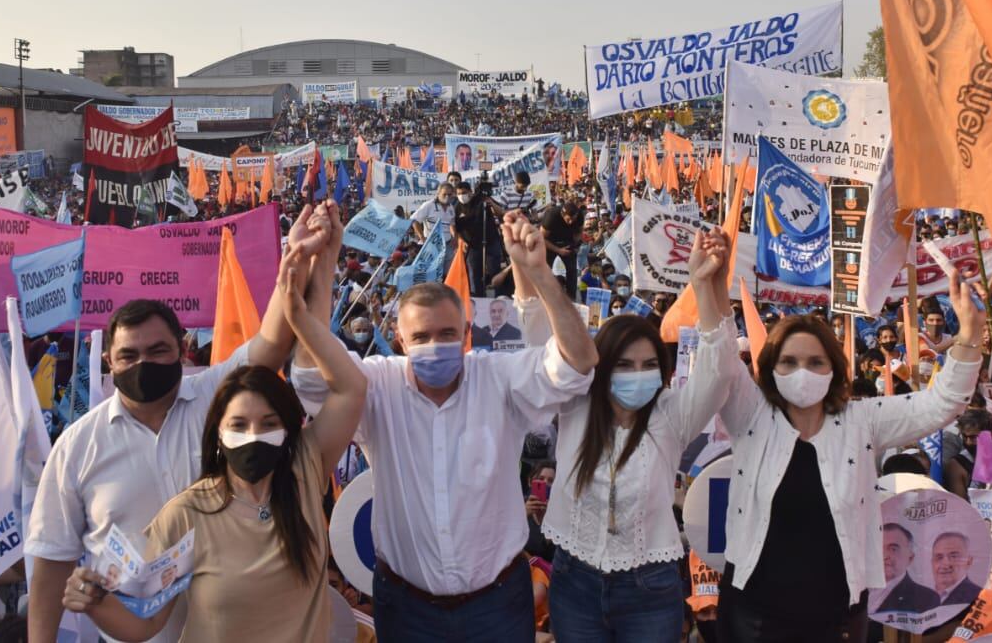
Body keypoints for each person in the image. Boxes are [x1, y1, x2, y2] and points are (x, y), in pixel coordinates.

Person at [26, 203, 340, 643]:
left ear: (182, 347)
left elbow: (273, 340)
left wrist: (298, 258)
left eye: (157, 351)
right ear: (107, 362)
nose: (143, 364)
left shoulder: (219, 400)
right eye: (128, 356)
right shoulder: (77, 448)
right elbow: (51, 563)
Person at [291, 211, 597, 642]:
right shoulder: (377, 384)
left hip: (498, 604)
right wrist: (324, 265)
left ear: (467, 333)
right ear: (400, 341)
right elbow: (309, 381)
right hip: (407, 606)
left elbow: (578, 364)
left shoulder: (498, 378)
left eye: (447, 334)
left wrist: (539, 273)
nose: (435, 346)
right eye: (421, 338)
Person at [693, 226, 986, 641]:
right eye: (789, 362)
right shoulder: (752, 415)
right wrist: (709, 284)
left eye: (815, 362)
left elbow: (940, 403)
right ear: (771, 370)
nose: (802, 372)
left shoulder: (860, 420)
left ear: (834, 369)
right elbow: (720, 357)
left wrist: (970, 338)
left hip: (835, 613)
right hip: (753, 611)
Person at [513, 228, 732, 641]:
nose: (638, 375)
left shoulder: (672, 414)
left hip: (650, 588)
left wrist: (703, 284)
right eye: (624, 365)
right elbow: (539, 341)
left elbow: (719, 370)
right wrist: (529, 272)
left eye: (648, 364)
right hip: (574, 582)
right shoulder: (575, 403)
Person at [874, 523, 939, 614]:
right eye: (879, 549)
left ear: (910, 558)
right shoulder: (859, 591)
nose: (884, 556)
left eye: (893, 549)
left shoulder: (926, 598)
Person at [453, 181, 503, 295]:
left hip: (491, 241)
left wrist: (490, 203)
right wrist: (460, 240)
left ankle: (500, 295)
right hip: (472, 245)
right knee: (475, 273)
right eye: (459, 193)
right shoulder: (457, 208)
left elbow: (500, 212)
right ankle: (479, 298)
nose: (462, 196)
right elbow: (456, 228)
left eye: (464, 193)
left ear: (470, 192)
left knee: (494, 270)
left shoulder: (481, 200)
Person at [944, 409, 992, 499]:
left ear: (991, 436)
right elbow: (961, 506)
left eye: (974, 437)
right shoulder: (957, 465)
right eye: (964, 436)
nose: (968, 442)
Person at [541, 203, 582, 298]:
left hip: (567, 241)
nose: (571, 222)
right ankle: (545, 296)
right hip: (550, 242)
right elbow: (542, 238)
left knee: (572, 270)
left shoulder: (579, 216)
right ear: (562, 215)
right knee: (545, 270)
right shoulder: (551, 216)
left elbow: (579, 231)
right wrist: (558, 250)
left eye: (573, 219)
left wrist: (576, 244)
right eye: (568, 219)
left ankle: (571, 298)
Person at [931, 532, 982, 605]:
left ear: (968, 561)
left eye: (954, 556)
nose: (945, 564)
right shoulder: (922, 597)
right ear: (932, 562)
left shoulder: (979, 597)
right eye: (939, 557)